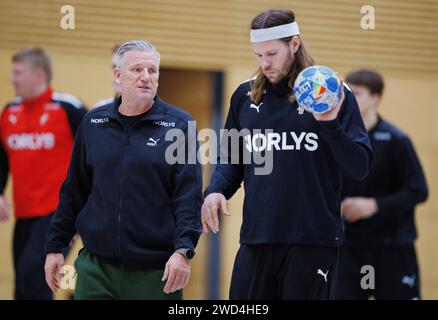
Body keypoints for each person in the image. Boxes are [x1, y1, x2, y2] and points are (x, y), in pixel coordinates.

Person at [201, 8, 372, 299]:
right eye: (258, 56)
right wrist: (216, 190)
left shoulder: (332, 92)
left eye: (271, 54)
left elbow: (360, 166)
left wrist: (329, 125)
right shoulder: (244, 95)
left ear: (294, 44)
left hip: (313, 240)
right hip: (257, 238)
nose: (264, 64)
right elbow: (231, 159)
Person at [44, 40, 203, 300]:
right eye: (137, 70)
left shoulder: (180, 125)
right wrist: (55, 246)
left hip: (156, 273)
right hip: (96, 269)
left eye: (152, 71)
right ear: (118, 74)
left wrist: (183, 251)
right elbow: (74, 190)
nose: (146, 78)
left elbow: (189, 195)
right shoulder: (93, 122)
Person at [0, 47, 87, 299]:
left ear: (38, 76)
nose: (11, 79)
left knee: (34, 276)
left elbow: (96, 150)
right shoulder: (9, 112)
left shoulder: (68, 108)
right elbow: (2, 158)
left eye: (17, 73)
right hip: (25, 213)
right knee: (23, 285)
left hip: (59, 214)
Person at [336, 70, 428, 300]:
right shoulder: (337, 138)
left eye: (356, 93)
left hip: (390, 249)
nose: (349, 99)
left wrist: (374, 205)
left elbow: (418, 190)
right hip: (348, 248)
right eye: (346, 93)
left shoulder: (396, 140)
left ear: (376, 98)